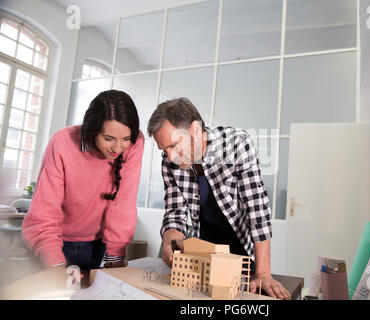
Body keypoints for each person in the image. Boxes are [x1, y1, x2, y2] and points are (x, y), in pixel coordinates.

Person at [147, 97, 290, 299]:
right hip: (204, 253)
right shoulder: (169, 163)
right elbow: (175, 211)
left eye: (174, 145)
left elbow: (257, 209)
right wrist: (171, 234)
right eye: (164, 150)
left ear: (195, 130)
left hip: (242, 250)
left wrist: (263, 273)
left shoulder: (237, 144)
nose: (170, 157)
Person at [22, 90, 145, 272]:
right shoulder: (62, 143)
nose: (118, 148)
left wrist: (115, 256)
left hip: (94, 246)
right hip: (51, 242)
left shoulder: (135, 144)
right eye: (108, 138)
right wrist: (56, 266)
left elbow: (123, 203)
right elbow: (44, 213)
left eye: (125, 139)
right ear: (93, 130)